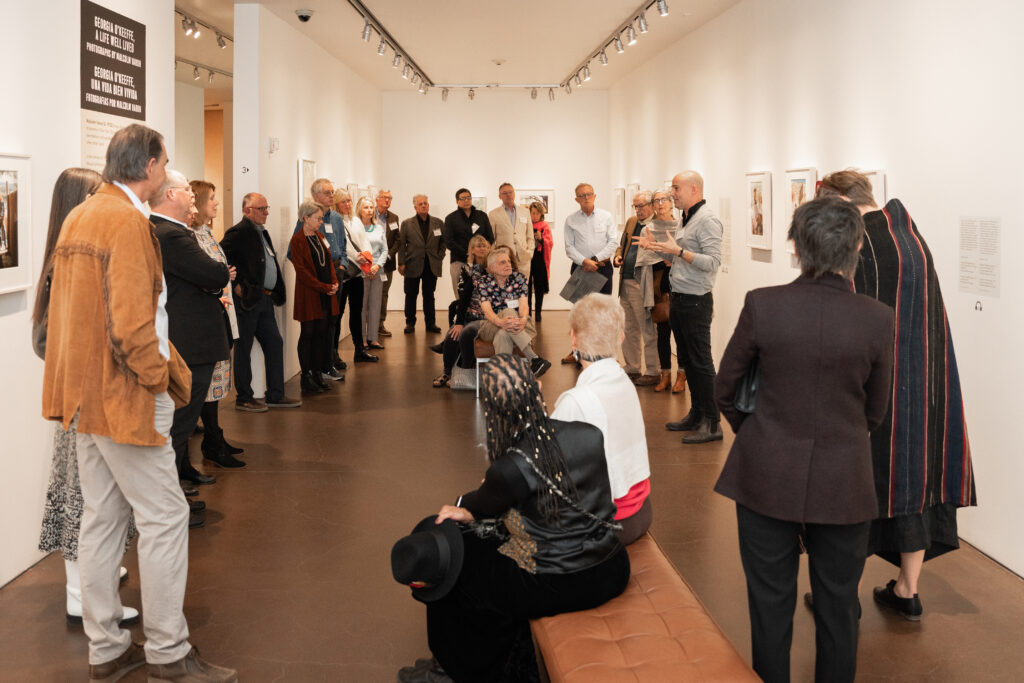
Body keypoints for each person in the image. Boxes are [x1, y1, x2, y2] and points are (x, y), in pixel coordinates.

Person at [41, 123, 236, 682]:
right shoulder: (127, 222)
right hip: (124, 397)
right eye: (164, 163)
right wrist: (160, 382)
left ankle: (105, 648)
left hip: (84, 396)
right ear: (149, 166)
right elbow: (132, 327)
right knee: (166, 515)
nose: (166, 172)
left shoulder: (81, 214)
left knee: (102, 520)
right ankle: (169, 652)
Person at [713, 197, 894, 683]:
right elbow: (875, 411)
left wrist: (757, 434)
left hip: (765, 473)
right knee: (838, 608)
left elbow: (725, 388)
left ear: (795, 246)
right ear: (857, 245)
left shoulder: (763, 304)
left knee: (769, 604)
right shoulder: (877, 318)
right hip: (844, 481)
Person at [394, 354, 631, 682]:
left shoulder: (511, 466)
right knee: (488, 553)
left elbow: (480, 506)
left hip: (560, 581)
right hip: (612, 565)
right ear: (538, 387)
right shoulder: (589, 433)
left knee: (451, 556)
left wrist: (462, 506)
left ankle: (451, 667)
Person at [816, 169, 977, 621]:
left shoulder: (857, 245)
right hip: (923, 388)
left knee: (854, 484)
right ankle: (907, 590)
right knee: (915, 483)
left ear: (843, 203)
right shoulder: (910, 236)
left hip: (873, 390)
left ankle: (841, 595)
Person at [32, 167, 140, 629]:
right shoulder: (66, 264)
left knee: (100, 499)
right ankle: (81, 592)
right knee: (82, 499)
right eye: (97, 195)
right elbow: (46, 340)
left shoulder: (73, 257)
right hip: (81, 404)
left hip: (90, 400)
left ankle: (94, 576)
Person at [151, 170, 232, 521]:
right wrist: (215, 279)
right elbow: (216, 273)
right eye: (186, 189)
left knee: (180, 425)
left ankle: (173, 498)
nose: (192, 196)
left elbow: (211, 277)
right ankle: (169, 507)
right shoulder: (170, 235)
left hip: (188, 341)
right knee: (179, 425)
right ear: (171, 195)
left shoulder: (169, 233)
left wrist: (212, 280)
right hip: (188, 343)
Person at [552, 293, 653, 545]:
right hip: (642, 512)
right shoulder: (625, 383)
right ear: (620, 338)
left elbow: (543, 464)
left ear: (573, 338)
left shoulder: (576, 401)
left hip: (609, 524)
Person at [640, 171, 723, 443]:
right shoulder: (688, 218)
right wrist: (658, 248)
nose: (672, 193)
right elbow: (681, 257)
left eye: (676, 188)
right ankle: (697, 414)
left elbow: (712, 262)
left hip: (696, 301)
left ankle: (712, 423)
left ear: (694, 189)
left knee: (701, 363)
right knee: (687, 360)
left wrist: (677, 252)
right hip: (680, 298)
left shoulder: (707, 219)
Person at [220, 193, 302, 411]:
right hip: (247, 301)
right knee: (243, 348)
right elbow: (221, 258)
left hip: (264, 300)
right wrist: (237, 287)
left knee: (275, 343)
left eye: (267, 208)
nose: (266, 212)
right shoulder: (238, 232)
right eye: (261, 208)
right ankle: (244, 397)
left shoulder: (260, 232)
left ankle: (275, 394)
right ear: (247, 210)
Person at [189, 180, 246, 470]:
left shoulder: (206, 232)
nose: (217, 202)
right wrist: (223, 274)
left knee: (217, 383)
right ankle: (212, 440)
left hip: (221, 314)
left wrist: (226, 273)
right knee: (208, 385)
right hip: (209, 317)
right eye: (212, 198)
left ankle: (215, 437)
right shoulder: (190, 236)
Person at [289, 178, 346, 380]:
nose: (332, 196)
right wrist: (319, 281)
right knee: (311, 331)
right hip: (313, 286)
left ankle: (326, 365)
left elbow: (339, 250)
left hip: (332, 279)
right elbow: (296, 258)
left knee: (330, 324)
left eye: (332, 192)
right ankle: (314, 371)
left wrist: (339, 270)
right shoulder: (301, 232)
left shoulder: (336, 220)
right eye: (327, 192)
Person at [561, 182, 617, 364]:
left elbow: (613, 242)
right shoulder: (571, 220)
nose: (586, 198)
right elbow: (569, 247)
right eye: (582, 195)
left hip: (603, 268)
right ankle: (578, 352)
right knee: (580, 312)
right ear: (576, 199)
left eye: (589, 194)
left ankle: (605, 353)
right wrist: (585, 261)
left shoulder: (606, 217)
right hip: (580, 268)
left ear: (594, 196)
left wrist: (595, 259)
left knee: (603, 311)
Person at [476, 250, 551, 377]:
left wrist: (522, 320)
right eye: (503, 262)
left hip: (520, 325)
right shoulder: (484, 281)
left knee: (504, 333)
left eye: (509, 261)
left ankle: (502, 380)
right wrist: (500, 322)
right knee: (509, 312)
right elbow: (487, 311)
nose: (508, 264)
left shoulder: (519, 278)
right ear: (492, 267)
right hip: (491, 325)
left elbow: (523, 305)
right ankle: (534, 359)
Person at [613, 190, 660, 386]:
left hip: (643, 284)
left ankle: (653, 370)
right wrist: (617, 256)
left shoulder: (657, 225)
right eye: (635, 206)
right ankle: (632, 367)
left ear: (651, 206)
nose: (638, 209)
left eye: (641, 206)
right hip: (625, 281)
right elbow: (621, 244)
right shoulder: (632, 222)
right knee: (629, 327)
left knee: (648, 328)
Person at [432, 236, 491, 388]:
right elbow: (463, 296)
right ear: (471, 250)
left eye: (485, 246)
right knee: (453, 334)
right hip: (469, 312)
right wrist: (458, 323)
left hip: (485, 317)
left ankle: (464, 373)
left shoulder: (495, 271)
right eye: (478, 246)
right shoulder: (469, 270)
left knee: (466, 333)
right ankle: (447, 372)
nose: (482, 249)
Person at [334, 189, 377, 364]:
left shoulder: (356, 220)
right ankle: (333, 354)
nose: (347, 204)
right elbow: (344, 246)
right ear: (336, 203)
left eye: (349, 200)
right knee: (338, 314)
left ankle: (359, 349)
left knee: (357, 313)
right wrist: (360, 260)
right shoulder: (336, 221)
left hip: (358, 273)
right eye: (343, 201)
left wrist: (367, 257)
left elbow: (364, 242)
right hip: (345, 274)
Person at [650, 189, 685, 394]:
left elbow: (687, 254)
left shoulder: (681, 227)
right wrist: (658, 258)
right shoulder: (651, 228)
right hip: (659, 285)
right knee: (662, 333)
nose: (660, 204)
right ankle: (665, 375)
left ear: (672, 203)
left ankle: (682, 375)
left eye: (664, 200)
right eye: (656, 201)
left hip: (680, 285)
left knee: (680, 334)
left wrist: (673, 258)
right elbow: (645, 256)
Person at [397, 194, 446, 334]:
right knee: (411, 295)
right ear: (415, 207)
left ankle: (431, 323)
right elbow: (401, 246)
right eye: (420, 204)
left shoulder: (438, 223)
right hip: (412, 264)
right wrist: (401, 263)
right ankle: (410, 323)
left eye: (425, 203)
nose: (423, 205)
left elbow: (444, 242)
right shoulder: (407, 224)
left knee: (429, 295)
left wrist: (439, 256)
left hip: (431, 265)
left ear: (428, 205)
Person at [442, 188, 493, 296]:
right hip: (459, 261)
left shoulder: (482, 215)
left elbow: (490, 237)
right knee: (460, 295)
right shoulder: (450, 218)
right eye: (463, 198)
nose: (466, 200)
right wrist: (468, 253)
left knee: (483, 294)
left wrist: (480, 252)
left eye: (468, 197)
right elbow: (448, 241)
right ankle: (461, 313)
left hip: (481, 261)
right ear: (457, 201)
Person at [357, 196, 388, 352]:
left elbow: (385, 250)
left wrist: (377, 266)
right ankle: (362, 340)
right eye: (366, 207)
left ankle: (373, 338)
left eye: (371, 207)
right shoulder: (356, 228)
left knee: (375, 305)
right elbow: (355, 250)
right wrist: (366, 267)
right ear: (360, 210)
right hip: (361, 272)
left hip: (377, 271)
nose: (369, 210)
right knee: (362, 307)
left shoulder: (379, 228)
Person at [489, 183, 535, 280]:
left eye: (510, 192)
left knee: (523, 291)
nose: (508, 195)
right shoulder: (493, 214)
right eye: (504, 193)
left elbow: (530, 236)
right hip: (503, 259)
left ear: (514, 194)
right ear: (500, 196)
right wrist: (494, 258)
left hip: (523, 259)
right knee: (504, 291)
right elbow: (491, 239)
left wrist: (530, 252)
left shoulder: (525, 212)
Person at [375, 189, 400, 337]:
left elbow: (398, 239)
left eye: (389, 198)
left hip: (387, 263)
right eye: (384, 198)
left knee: (384, 293)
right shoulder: (369, 215)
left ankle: (380, 323)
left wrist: (389, 254)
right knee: (370, 294)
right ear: (377, 199)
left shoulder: (393, 218)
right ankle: (368, 324)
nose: (387, 201)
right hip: (371, 262)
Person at [527, 201, 553, 321]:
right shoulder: (525, 224)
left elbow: (550, 242)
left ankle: (538, 312)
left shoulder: (545, 226)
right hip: (527, 257)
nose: (535, 216)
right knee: (526, 285)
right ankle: (528, 312)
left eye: (537, 213)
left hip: (539, 258)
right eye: (533, 213)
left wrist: (542, 239)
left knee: (539, 287)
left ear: (541, 214)